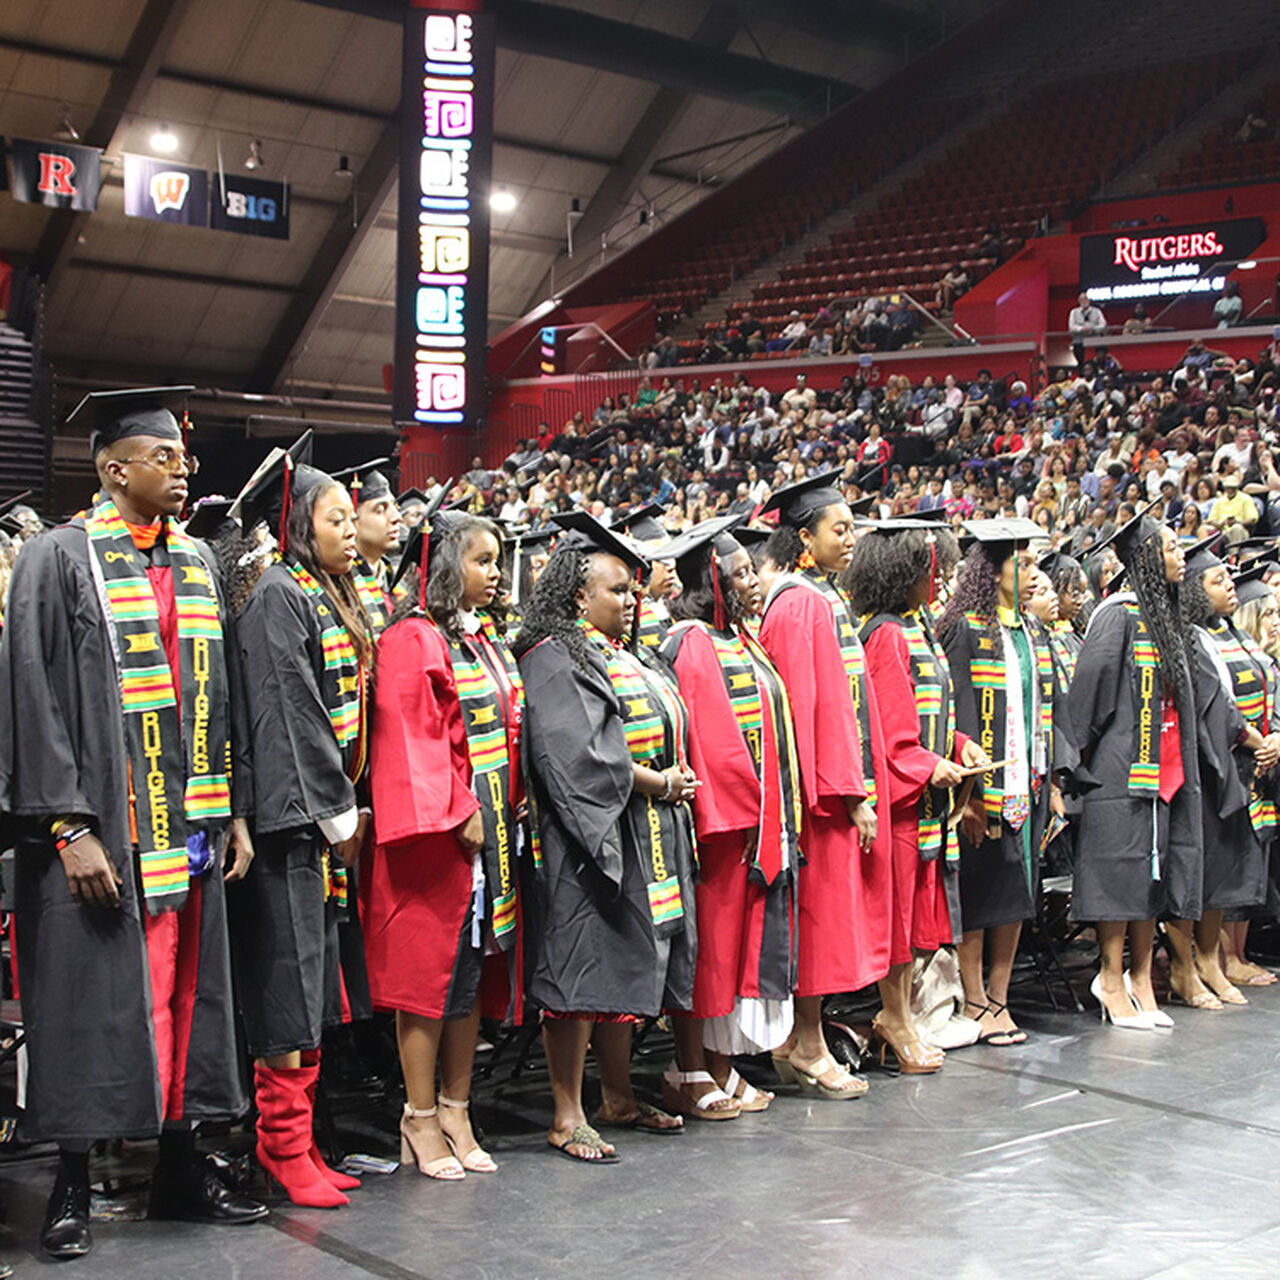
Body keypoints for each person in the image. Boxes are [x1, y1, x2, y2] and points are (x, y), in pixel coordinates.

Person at [0, 388, 267, 1261]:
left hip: (186, 833)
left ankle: (179, 1170)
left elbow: (217, 699)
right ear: (114, 469)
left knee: (189, 999)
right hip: (101, 833)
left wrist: (227, 811)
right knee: (89, 1006)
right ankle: (70, 1183)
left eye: (184, 459)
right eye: (165, 458)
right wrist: (66, 827)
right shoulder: (57, 557)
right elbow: (30, 697)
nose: (182, 471)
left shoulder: (194, 563)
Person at [514, 512, 694, 1162]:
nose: (631, 599)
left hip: (637, 831)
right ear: (577, 595)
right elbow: (577, 755)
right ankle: (567, 1113)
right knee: (578, 972)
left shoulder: (622, 651)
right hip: (583, 840)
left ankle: (617, 1095)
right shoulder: (553, 656)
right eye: (616, 589)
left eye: (632, 589)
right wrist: (658, 784)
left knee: (620, 962)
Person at [229, 435, 374, 1207]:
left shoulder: (319, 593)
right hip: (292, 827)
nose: (350, 529)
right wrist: (338, 816)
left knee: (311, 987)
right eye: (336, 517)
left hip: (314, 826)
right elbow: (292, 716)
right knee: (288, 987)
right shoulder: (281, 595)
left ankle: (300, 1142)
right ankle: (280, 1150)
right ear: (299, 525)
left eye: (354, 517)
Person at [364, 512, 523, 1179]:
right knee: (429, 983)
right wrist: (462, 813)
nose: (494, 574)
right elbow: (411, 739)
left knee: (469, 979)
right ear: (448, 565)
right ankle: (419, 1116)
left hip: (490, 839)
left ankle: (458, 1107)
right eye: (483, 561)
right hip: (439, 843)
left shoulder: (478, 638)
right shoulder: (411, 636)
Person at [660, 515, 802, 1115]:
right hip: (722, 833)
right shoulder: (692, 640)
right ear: (710, 578)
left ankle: (720, 1066)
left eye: (751, 570)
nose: (751, 581)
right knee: (709, 955)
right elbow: (713, 743)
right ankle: (688, 1067)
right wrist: (748, 815)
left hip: (756, 826)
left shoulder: (740, 639)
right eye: (739, 572)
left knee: (733, 954)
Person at [847, 516, 991, 1068]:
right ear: (909, 570)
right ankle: (895, 1017)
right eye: (939, 568)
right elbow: (884, 726)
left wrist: (958, 745)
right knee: (899, 921)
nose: (946, 578)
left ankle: (901, 1014)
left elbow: (928, 707)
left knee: (919, 922)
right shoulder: (885, 632)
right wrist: (926, 765)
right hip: (899, 805)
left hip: (926, 802)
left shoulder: (918, 624)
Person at [757, 473, 884, 1097]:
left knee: (821, 923)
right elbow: (814, 709)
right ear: (804, 537)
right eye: (840, 528)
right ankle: (806, 1041)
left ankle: (798, 1037)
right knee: (819, 924)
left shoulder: (813, 597)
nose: (852, 538)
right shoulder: (802, 601)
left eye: (853, 527)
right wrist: (848, 793)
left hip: (821, 789)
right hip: (819, 800)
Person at [938, 518, 1067, 1047]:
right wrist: (968, 797)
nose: (1034, 574)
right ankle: (973, 1000)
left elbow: (1048, 710)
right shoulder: (963, 628)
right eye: (1025, 564)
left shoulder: (1033, 632)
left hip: (1026, 784)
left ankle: (1000, 997)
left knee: (1016, 899)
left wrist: (1053, 784)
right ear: (993, 571)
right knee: (981, 895)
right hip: (981, 790)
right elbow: (951, 712)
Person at [1069, 511, 1199, 1028]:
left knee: (1152, 877)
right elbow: (1089, 697)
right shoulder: (1116, 615)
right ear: (1146, 557)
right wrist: (1075, 767)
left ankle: (1141, 978)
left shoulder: (1161, 619)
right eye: (1171, 547)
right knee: (1118, 877)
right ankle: (1109, 975)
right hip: (1117, 773)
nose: (1180, 555)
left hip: (1160, 774)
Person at [1171, 539, 1278, 1009]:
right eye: (1217, 581)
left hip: (1242, 765)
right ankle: (1191, 963)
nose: (1229, 586)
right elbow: (1218, 707)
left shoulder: (1234, 634)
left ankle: (1211, 960)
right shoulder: (1189, 636)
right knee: (1199, 872)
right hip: (1208, 763)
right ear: (1195, 589)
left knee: (1222, 874)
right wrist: (1258, 742)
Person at [1221, 564, 1280, 987]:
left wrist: (1276, 738)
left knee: (1253, 863)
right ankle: (1227, 956)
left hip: (1265, 766)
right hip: (1238, 764)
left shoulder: (1265, 661)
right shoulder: (1228, 653)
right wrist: (1258, 743)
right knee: (1235, 862)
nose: (1276, 621)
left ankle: (1239, 952)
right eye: (1269, 614)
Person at [337, 459, 403, 635]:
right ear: (352, 518)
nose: (396, 517)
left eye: (395, 507)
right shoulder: (338, 587)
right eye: (381, 509)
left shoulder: (399, 579)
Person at [611, 503, 676, 651]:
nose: (670, 566)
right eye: (659, 558)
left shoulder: (677, 605)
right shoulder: (629, 618)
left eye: (671, 555)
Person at [1068, 292, 1106, 369]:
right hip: (1079, 342)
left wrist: (1093, 329)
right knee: (1082, 363)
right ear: (1079, 301)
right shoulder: (1074, 312)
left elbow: (1103, 324)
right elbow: (1071, 327)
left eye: (1085, 298)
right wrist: (1081, 329)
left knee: (1100, 356)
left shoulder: (1097, 311)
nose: (1084, 301)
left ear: (1089, 300)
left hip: (1095, 341)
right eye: (1081, 299)